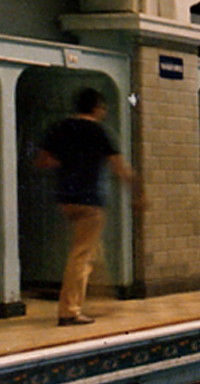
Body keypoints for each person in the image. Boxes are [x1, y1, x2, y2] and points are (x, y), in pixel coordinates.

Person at [35, 87, 143, 326]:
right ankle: (69, 311)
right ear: (96, 107)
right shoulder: (99, 131)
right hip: (90, 201)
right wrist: (138, 195)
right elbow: (121, 168)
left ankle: (100, 298)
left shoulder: (59, 127)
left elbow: (43, 161)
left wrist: (68, 163)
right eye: (102, 107)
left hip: (65, 199)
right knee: (81, 256)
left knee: (91, 250)